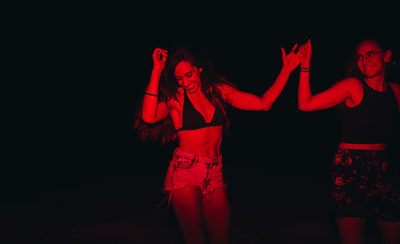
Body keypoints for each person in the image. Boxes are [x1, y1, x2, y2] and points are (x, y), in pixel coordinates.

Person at [135, 45, 300, 244]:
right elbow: (148, 116)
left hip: (214, 171)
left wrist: (286, 70)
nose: (186, 82)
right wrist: (156, 70)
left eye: (189, 75)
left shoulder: (218, 91)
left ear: (199, 68)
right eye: (180, 78)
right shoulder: (177, 98)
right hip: (185, 170)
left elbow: (263, 103)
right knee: (195, 239)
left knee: (222, 239)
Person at [297, 38, 400, 244]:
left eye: (371, 54)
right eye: (360, 57)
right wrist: (305, 65)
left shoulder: (396, 91)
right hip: (350, 167)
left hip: (383, 166)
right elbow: (305, 104)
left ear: (387, 56)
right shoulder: (353, 86)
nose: (364, 61)